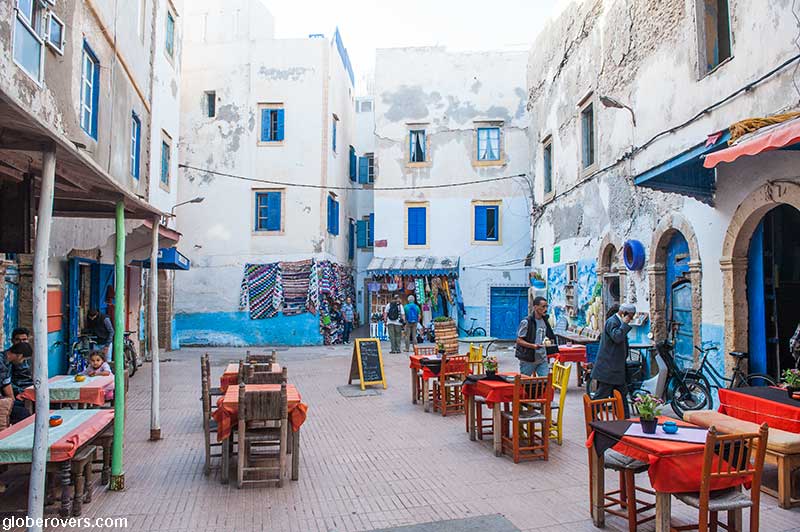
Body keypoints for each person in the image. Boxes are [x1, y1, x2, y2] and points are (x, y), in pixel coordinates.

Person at [591, 303, 636, 418]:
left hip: (616, 368)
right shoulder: (613, 322)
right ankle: (591, 415)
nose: (631, 319)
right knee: (602, 395)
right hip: (609, 368)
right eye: (630, 316)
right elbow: (617, 337)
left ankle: (624, 420)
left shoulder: (617, 322)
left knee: (621, 396)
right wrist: (625, 324)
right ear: (624, 313)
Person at [515, 296, 558, 377]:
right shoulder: (527, 322)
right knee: (525, 381)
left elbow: (548, 336)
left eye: (546, 306)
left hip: (542, 358)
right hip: (528, 358)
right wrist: (533, 346)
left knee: (546, 381)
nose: (545, 309)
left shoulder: (545, 320)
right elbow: (519, 340)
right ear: (535, 307)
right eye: (543, 306)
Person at [2, 342, 34, 424]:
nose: (22, 362)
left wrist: (12, 400)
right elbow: (6, 385)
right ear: (20, 356)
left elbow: (7, 383)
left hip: (5, 398)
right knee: (23, 413)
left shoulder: (7, 362)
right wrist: (11, 401)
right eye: (23, 359)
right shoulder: (2, 363)